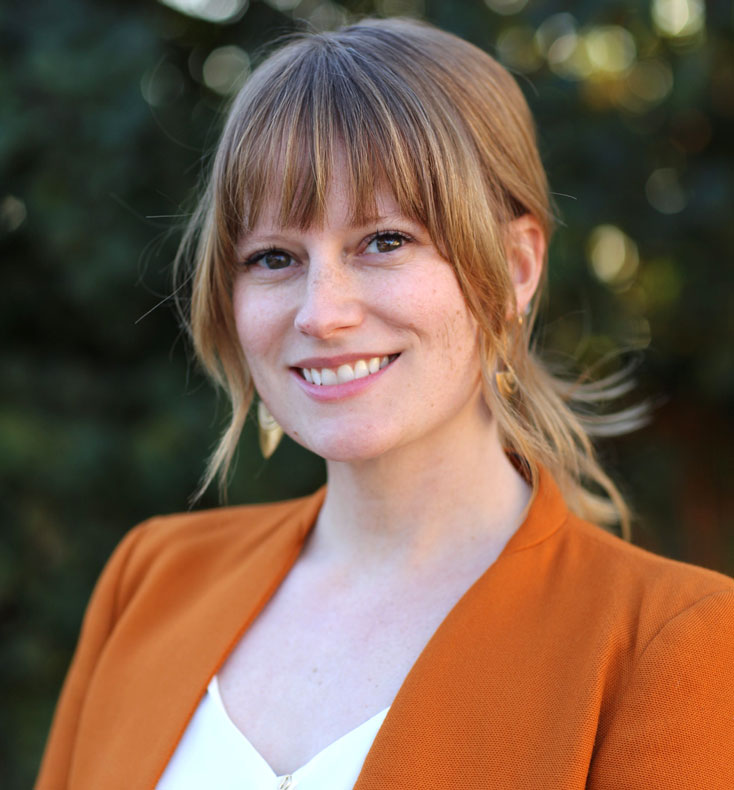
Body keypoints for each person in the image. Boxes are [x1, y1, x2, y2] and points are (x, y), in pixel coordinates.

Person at [35, 17, 734, 790]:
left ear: (514, 266)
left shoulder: (672, 644)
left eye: (384, 241)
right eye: (274, 257)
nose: (320, 313)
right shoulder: (152, 580)